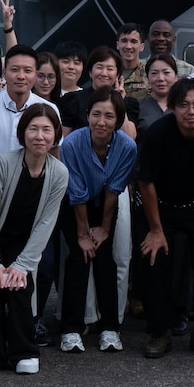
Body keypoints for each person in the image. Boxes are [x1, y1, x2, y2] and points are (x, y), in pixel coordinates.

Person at [135, 77, 194, 359]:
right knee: (155, 256)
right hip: (159, 204)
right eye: (184, 105)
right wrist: (155, 229)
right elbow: (146, 182)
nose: (191, 111)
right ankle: (159, 331)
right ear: (174, 109)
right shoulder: (157, 133)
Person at [0, 105, 68, 374]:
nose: (40, 136)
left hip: (27, 245)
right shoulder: (4, 162)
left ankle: (24, 350)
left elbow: (46, 224)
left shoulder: (59, 173)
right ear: (22, 133)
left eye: (47, 130)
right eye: (33, 129)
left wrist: (22, 265)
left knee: (20, 286)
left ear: (56, 135)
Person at [58, 88, 136, 353]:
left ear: (117, 119)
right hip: (73, 204)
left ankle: (110, 328)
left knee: (105, 259)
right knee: (78, 259)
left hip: (105, 203)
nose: (101, 122)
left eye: (109, 116)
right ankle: (71, 329)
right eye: (96, 115)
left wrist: (103, 228)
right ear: (87, 115)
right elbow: (76, 191)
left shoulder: (127, 146)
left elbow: (114, 189)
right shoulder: (72, 143)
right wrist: (82, 234)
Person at [0, 45, 54, 158]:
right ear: (4, 72)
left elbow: (53, 157)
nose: (21, 76)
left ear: (35, 75)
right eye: (15, 70)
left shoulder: (50, 110)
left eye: (27, 70)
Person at [136, 56, 177, 132]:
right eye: (154, 73)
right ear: (147, 78)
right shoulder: (138, 106)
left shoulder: (184, 105)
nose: (161, 78)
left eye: (166, 73)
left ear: (176, 76)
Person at [114, 24, 149, 104]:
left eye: (134, 41)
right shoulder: (109, 74)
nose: (128, 46)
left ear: (142, 47)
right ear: (117, 45)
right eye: (124, 41)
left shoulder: (150, 75)